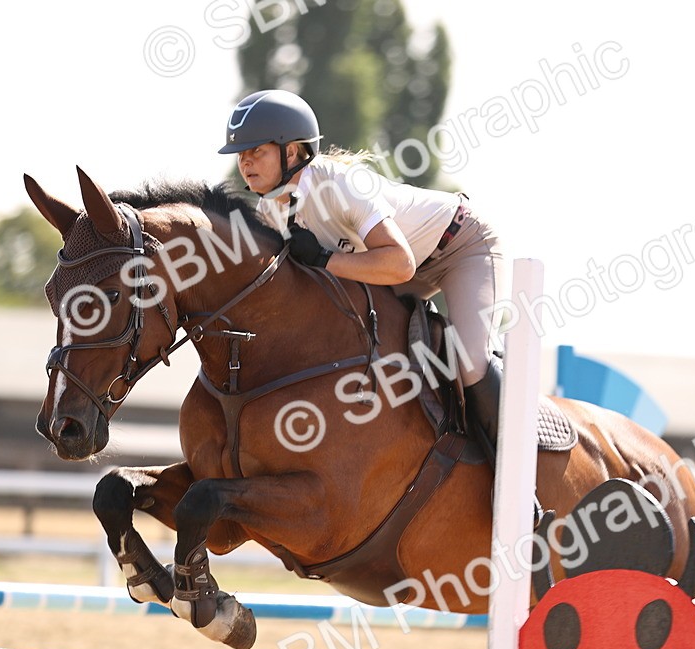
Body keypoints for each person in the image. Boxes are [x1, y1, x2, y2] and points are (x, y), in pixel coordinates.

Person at [217, 89, 508, 461]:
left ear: (291, 152)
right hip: (396, 272)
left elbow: (399, 263)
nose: (245, 162)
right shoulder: (270, 210)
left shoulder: (338, 184)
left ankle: (519, 475)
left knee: (470, 361)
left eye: (255, 151)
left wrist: (324, 260)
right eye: (241, 154)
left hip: (460, 246)